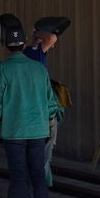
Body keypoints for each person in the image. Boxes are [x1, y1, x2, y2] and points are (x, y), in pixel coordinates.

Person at [0, 13, 60, 198]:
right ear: (24, 42)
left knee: (18, 176)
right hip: (39, 131)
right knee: (38, 174)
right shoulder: (39, 69)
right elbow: (50, 102)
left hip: (14, 132)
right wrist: (51, 126)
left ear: (4, 43)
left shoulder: (1, 70)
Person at [24, 16, 71, 179]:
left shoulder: (31, 53)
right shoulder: (34, 52)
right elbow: (52, 38)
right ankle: (40, 181)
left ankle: (38, 179)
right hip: (41, 112)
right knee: (44, 151)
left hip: (34, 111)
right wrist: (40, 32)